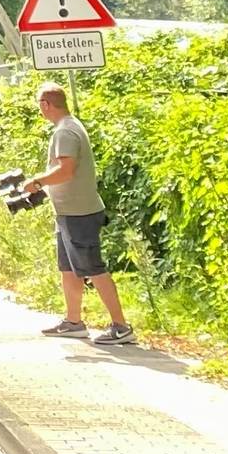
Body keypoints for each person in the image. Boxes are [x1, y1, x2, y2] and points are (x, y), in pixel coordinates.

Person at [23, 83, 134, 345]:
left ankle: (121, 326)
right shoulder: (69, 127)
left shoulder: (65, 132)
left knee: (93, 268)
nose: (40, 109)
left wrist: (37, 182)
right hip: (68, 212)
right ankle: (73, 322)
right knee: (69, 269)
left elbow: (66, 170)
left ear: (45, 105)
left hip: (79, 213)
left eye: (40, 104)